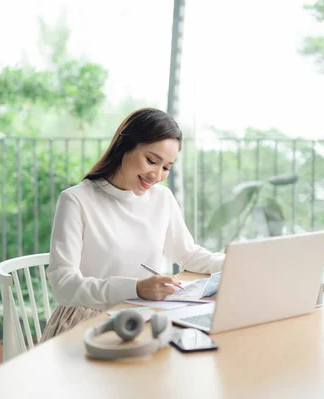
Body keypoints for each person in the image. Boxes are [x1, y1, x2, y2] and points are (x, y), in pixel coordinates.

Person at [41, 108, 224, 341]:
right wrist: (136, 288)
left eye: (166, 167)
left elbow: (187, 254)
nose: (156, 175)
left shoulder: (162, 199)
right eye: (151, 160)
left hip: (143, 316)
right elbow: (64, 286)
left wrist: (233, 263)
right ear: (124, 146)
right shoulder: (76, 200)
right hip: (86, 322)